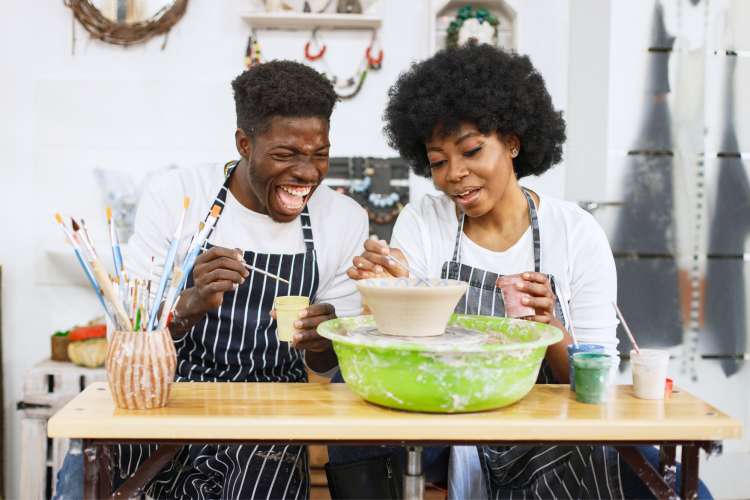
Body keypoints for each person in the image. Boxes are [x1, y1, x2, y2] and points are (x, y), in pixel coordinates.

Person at [344, 42, 711, 499]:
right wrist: (393, 296)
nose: (454, 173)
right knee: (354, 441)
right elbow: (404, 358)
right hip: (451, 422)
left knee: (669, 486)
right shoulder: (425, 222)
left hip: (551, 436)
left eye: (471, 151)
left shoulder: (575, 232)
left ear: (513, 142)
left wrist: (550, 327)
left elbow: (595, 384)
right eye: (438, 161)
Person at [55, 60, 369, 500]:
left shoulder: (343, 219)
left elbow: (327, 368)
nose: (307, 173)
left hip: (271, 424)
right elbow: (125, 335)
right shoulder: (177, 197)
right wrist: (185, 305)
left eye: (319, 154)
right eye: (285, 155)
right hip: (167, 403)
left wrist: (324, 338)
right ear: (244, 143)